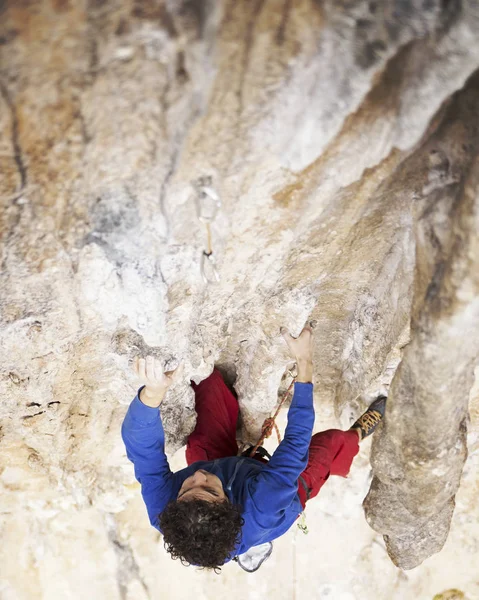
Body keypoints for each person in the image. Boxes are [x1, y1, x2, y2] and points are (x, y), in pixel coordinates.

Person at [121, 323, 386, 570]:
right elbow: (295, 446)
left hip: (224, 468)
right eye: (208, 489)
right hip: (269, 498)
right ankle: (356, 434)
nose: (197, 477)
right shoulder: (265, 506)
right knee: (329, 446)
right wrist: (305, 363)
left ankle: (228, 439)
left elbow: (142, 449)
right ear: (230, 505)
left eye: (187, 488)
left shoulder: (165, 508)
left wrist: (153, 391)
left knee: (207, 385)